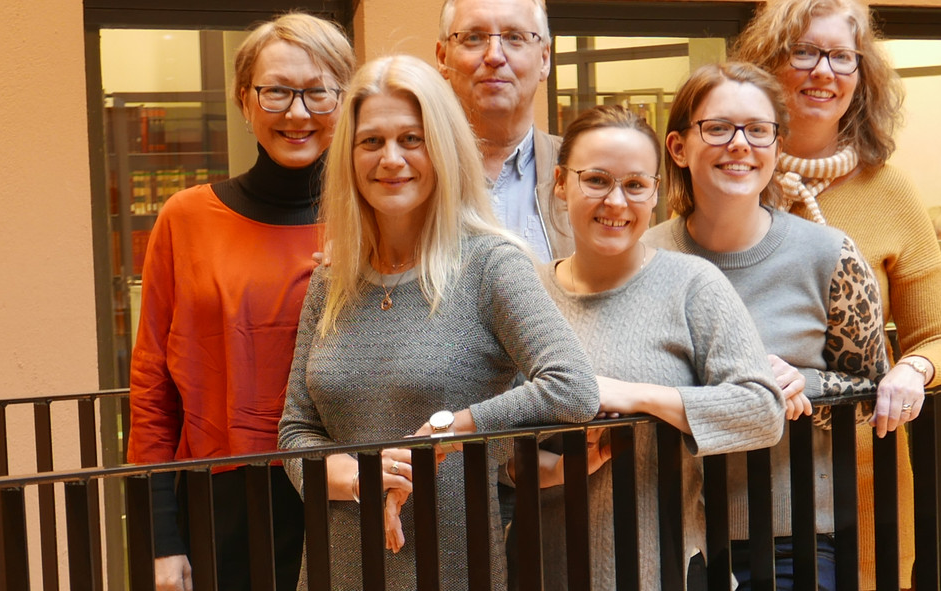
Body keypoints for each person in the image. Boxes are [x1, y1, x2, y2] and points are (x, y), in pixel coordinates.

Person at [276, 55, 600, 591]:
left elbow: (573, 388)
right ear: (349, 156)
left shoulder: (490, 264)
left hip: (452, 567)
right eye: (372, 141)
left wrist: (448, 430)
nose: (391, 159)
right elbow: (295, 430)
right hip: (335, 568)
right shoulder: (331, 279)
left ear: (444, 148)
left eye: (412, 139)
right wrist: (361, 478)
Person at [733, 1, 941, 586]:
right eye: (804, 52)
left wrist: (911, 370)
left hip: (861, 475)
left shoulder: (891, 190)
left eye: (843, 56)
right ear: (768, 63)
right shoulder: (730, 176)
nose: (824, 71)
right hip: (739, 481)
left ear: (862, 74)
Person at [126, 13, 355, 591]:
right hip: (225, 499)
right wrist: (160, 538)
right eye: (276, 91)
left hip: (353, 489)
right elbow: (152, 386)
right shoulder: (186, 219)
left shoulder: (374, 223)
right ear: (244, 100)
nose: (297, 113)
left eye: (318, 92)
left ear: (346, 101)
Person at [644, 61, 889, 590]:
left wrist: (807, 384)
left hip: (792, 541)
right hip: (663, 537)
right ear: (678, 147)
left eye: (758, 130)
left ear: (777, 147)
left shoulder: (830, 256)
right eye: (718, 128)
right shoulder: (642, 258)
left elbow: (873, 393)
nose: (740, 144)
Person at [524, 104, 786, 591]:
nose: (616, 202)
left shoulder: (692, 284)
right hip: (543, 567)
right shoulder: (524, 294)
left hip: (666, 567)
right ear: (560, 182)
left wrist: (634, 396)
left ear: (656, 192)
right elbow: (494, 453)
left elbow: (763, 410)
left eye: (635, 185)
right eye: (596, 180)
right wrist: (557, 469)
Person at [436, 0, 573, 262]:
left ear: (545, 59)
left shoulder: (583, 174)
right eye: (474, 38)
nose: (495, 56)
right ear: (443, 58)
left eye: (514, 37)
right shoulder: (412, 173)